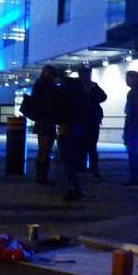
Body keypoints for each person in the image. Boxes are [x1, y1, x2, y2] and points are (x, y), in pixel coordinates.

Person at [55, 70, 87, 201]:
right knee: (72, 159)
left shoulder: (64, 94)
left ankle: (73, 188)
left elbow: (60, 111)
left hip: (67, 128)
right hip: (78, 129)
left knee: (67, 160)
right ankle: (75, 187)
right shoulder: (79, 93)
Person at [31, 65, 58, 185]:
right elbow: (51, 103)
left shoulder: (38, 85)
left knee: (43, 149)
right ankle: (42, 176)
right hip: (47, 120)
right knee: (45, 149)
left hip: (42, 120)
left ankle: (40, 175)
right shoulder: (48, 86)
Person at [79, 68, 108, 180]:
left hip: (90, 120)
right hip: (86, 120)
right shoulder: (81, 86)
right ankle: (87, 167)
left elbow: (103, 96)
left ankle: (91, 167)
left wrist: (91, 95)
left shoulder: (93, 86)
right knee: (86, 146)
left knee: (90, 146)